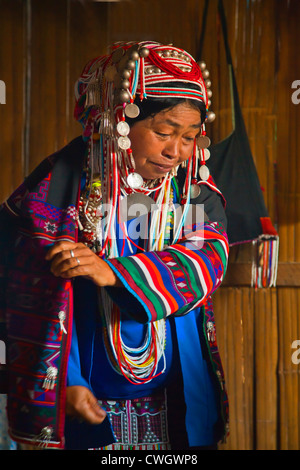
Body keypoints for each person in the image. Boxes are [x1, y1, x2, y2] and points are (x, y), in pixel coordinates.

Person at [0, 41, 229, 450]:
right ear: (117, 120)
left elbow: (205, 259)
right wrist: (63, 383)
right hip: (86, 399)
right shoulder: (61, 188)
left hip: (170, 402)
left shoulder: (187, 193)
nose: (176, 151)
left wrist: (111, 271)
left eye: (190, 137)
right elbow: (27, 292)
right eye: (163, 132)